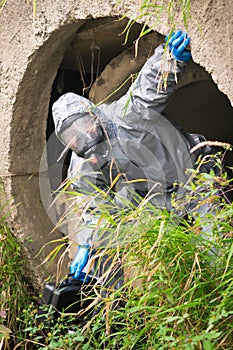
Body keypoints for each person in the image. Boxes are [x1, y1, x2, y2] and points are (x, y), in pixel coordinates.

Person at [52, 30, 216, 285]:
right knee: (121, 250)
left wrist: (170, 56)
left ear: (94, 115)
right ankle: (114, 310)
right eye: (72, 136)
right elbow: (94, 207)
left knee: (214, 242)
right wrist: (88, 243)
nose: (83, 137)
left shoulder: (127, 117)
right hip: (156, 196)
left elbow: (148, 87)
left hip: (195, 170)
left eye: (82, 126)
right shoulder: (83, 163)